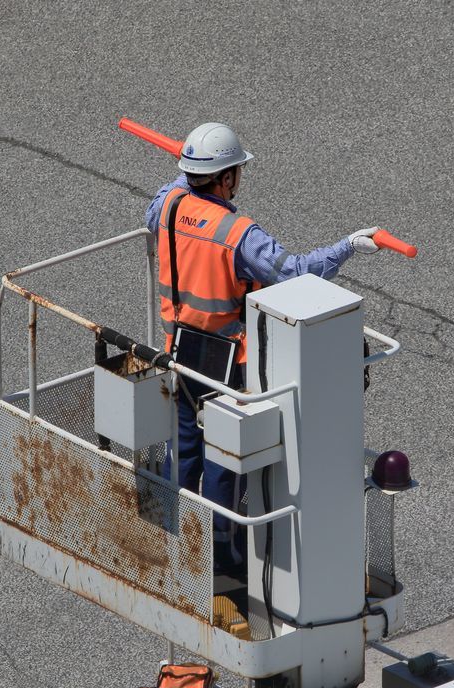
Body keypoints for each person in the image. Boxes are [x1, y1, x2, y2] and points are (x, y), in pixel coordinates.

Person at [145, 121, 380, 578]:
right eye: (236, 172)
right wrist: (347, 247)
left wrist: (188, 172)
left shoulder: (166, 206)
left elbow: (168, 197)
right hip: (226, 363)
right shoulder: (237, 233)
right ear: (226, 178)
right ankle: (220, 561)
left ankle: (171, 549)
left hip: (178, 350)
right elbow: (294, 272)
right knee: (223, 457)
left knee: (182, 451)